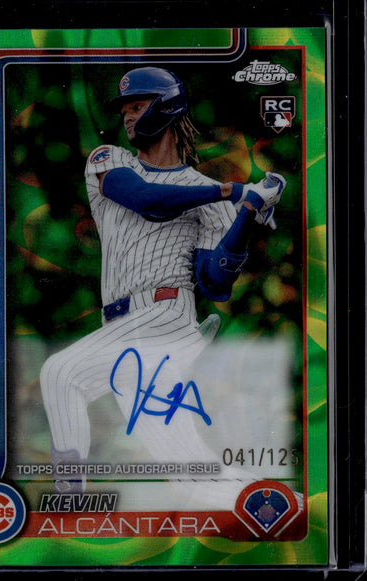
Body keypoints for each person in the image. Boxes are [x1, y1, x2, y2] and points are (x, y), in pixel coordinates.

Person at [40, 66, 286, 509]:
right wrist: (234, 192)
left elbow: (215, 282)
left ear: (168, 106)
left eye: (138, 105)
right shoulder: (110, 159)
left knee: (62, 373)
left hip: (165, 316)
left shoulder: (206, 191)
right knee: (191, 476)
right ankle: (288, 505)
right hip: (121, 325)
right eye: (124, 110)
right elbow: (146, 200)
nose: (128, 116)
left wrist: (248, 214)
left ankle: (69, 503)